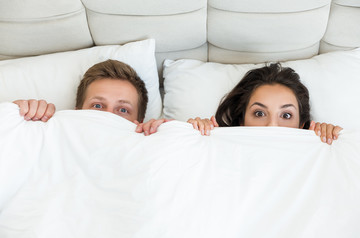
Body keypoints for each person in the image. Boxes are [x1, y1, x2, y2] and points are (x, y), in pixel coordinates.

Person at [187, 63, 342, 145]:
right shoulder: (216, 148)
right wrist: (194, 134)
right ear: (242, 121)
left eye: (286, 115)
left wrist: (333, 138)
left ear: (301, 124)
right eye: (259, 113)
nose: (272, 126)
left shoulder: (321, 151)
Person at [13, 59, 170, 136]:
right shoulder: (49, 134)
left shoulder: (151, 143)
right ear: (77, 111)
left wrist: (183, 133)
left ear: (139, 122)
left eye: (123, 109)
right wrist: (15, 116)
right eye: (97, 106)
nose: (107, 115)